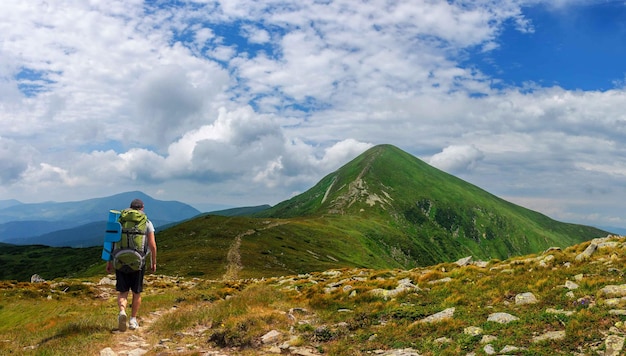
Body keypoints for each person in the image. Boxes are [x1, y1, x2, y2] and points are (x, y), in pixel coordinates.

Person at [106, 198, 157, 331]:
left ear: (130, 207)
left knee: (123, 291)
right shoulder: (146, 222)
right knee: (136, 292)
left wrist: (109, 261)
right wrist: (153, 262)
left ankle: (122, 311)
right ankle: (133, 320)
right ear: (142, 208)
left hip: (120, 260)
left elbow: (111, 241)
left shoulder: (120, 221)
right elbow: (152, 245)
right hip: (138, 262)